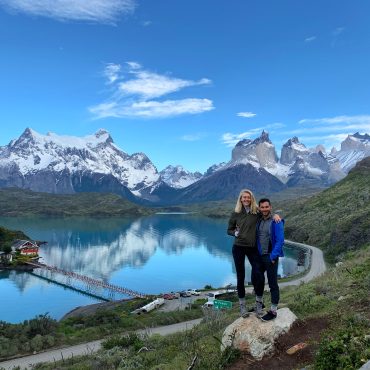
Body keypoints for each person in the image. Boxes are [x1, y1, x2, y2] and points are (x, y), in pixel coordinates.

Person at [227, 189, 280, 318]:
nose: (246, 199)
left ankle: (259, 303)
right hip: (238, 248)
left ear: (251, 199)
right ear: (240, 199)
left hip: (252, 249)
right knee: (240, 277)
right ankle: (242, 307)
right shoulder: (235, 213)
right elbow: (229, 230)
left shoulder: (256, 212)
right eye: (243, 197)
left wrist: (275, 216)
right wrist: (235, 233)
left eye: (248, 197)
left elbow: (266, 214)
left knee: (258, 275)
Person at [256, 198, 285, 321]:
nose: (264, 209)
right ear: (259, 208)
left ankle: (273, 311)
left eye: (266, 207)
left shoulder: (276, 222)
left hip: (270, 257)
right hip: (259, 256)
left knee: (273, 284)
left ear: (270, 207)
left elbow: (280, 241)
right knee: (258, 280)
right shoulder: (258, 220)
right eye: (262, 207)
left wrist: (273, 256)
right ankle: (259, 304)